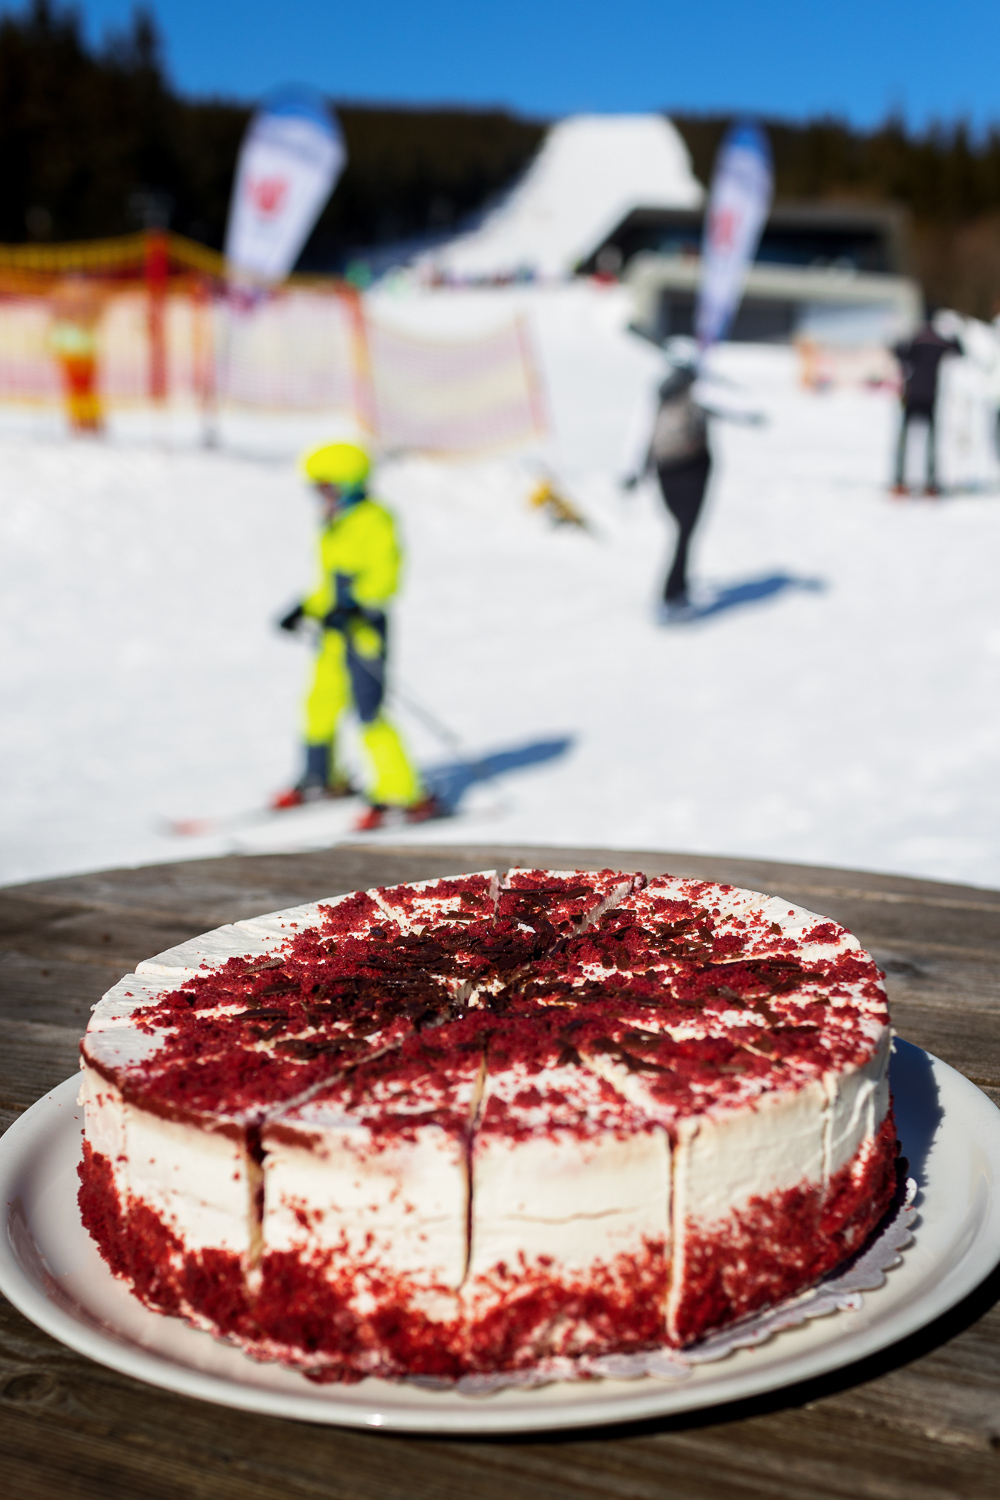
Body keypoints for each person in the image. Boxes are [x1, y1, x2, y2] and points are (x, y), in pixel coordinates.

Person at [273, 442, 441, 831]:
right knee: (320, 703)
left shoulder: (375, 519)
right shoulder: (334, 521)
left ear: (348, 484)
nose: (320, 496)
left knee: (369, 713)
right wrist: (305, 608)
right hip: (333, 631)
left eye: (326, 487)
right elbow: (331, 583)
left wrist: (359, 605)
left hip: (363, 631)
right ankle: (321, 776)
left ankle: (404, 794)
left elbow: (385, 576)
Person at [623, 342, 713, 622]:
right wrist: (639, 468)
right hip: (684, 470)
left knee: (683, 533)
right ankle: (671, 595)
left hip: (677, 468)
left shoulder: (668, 394)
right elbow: (646, 433)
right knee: (684, 533)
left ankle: (678, 589)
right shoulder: (683, 396)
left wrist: (641, 468)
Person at [891, 317, 962, 496]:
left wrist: (897, 340)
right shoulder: (938, 342)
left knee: (904, 442)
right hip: (931, 397)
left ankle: (900, 481)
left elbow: (900, 355)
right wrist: (955, 335)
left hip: (912, 396)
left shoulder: (916, 340)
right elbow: (959, 351)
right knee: (931, 443)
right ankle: (930, 484)